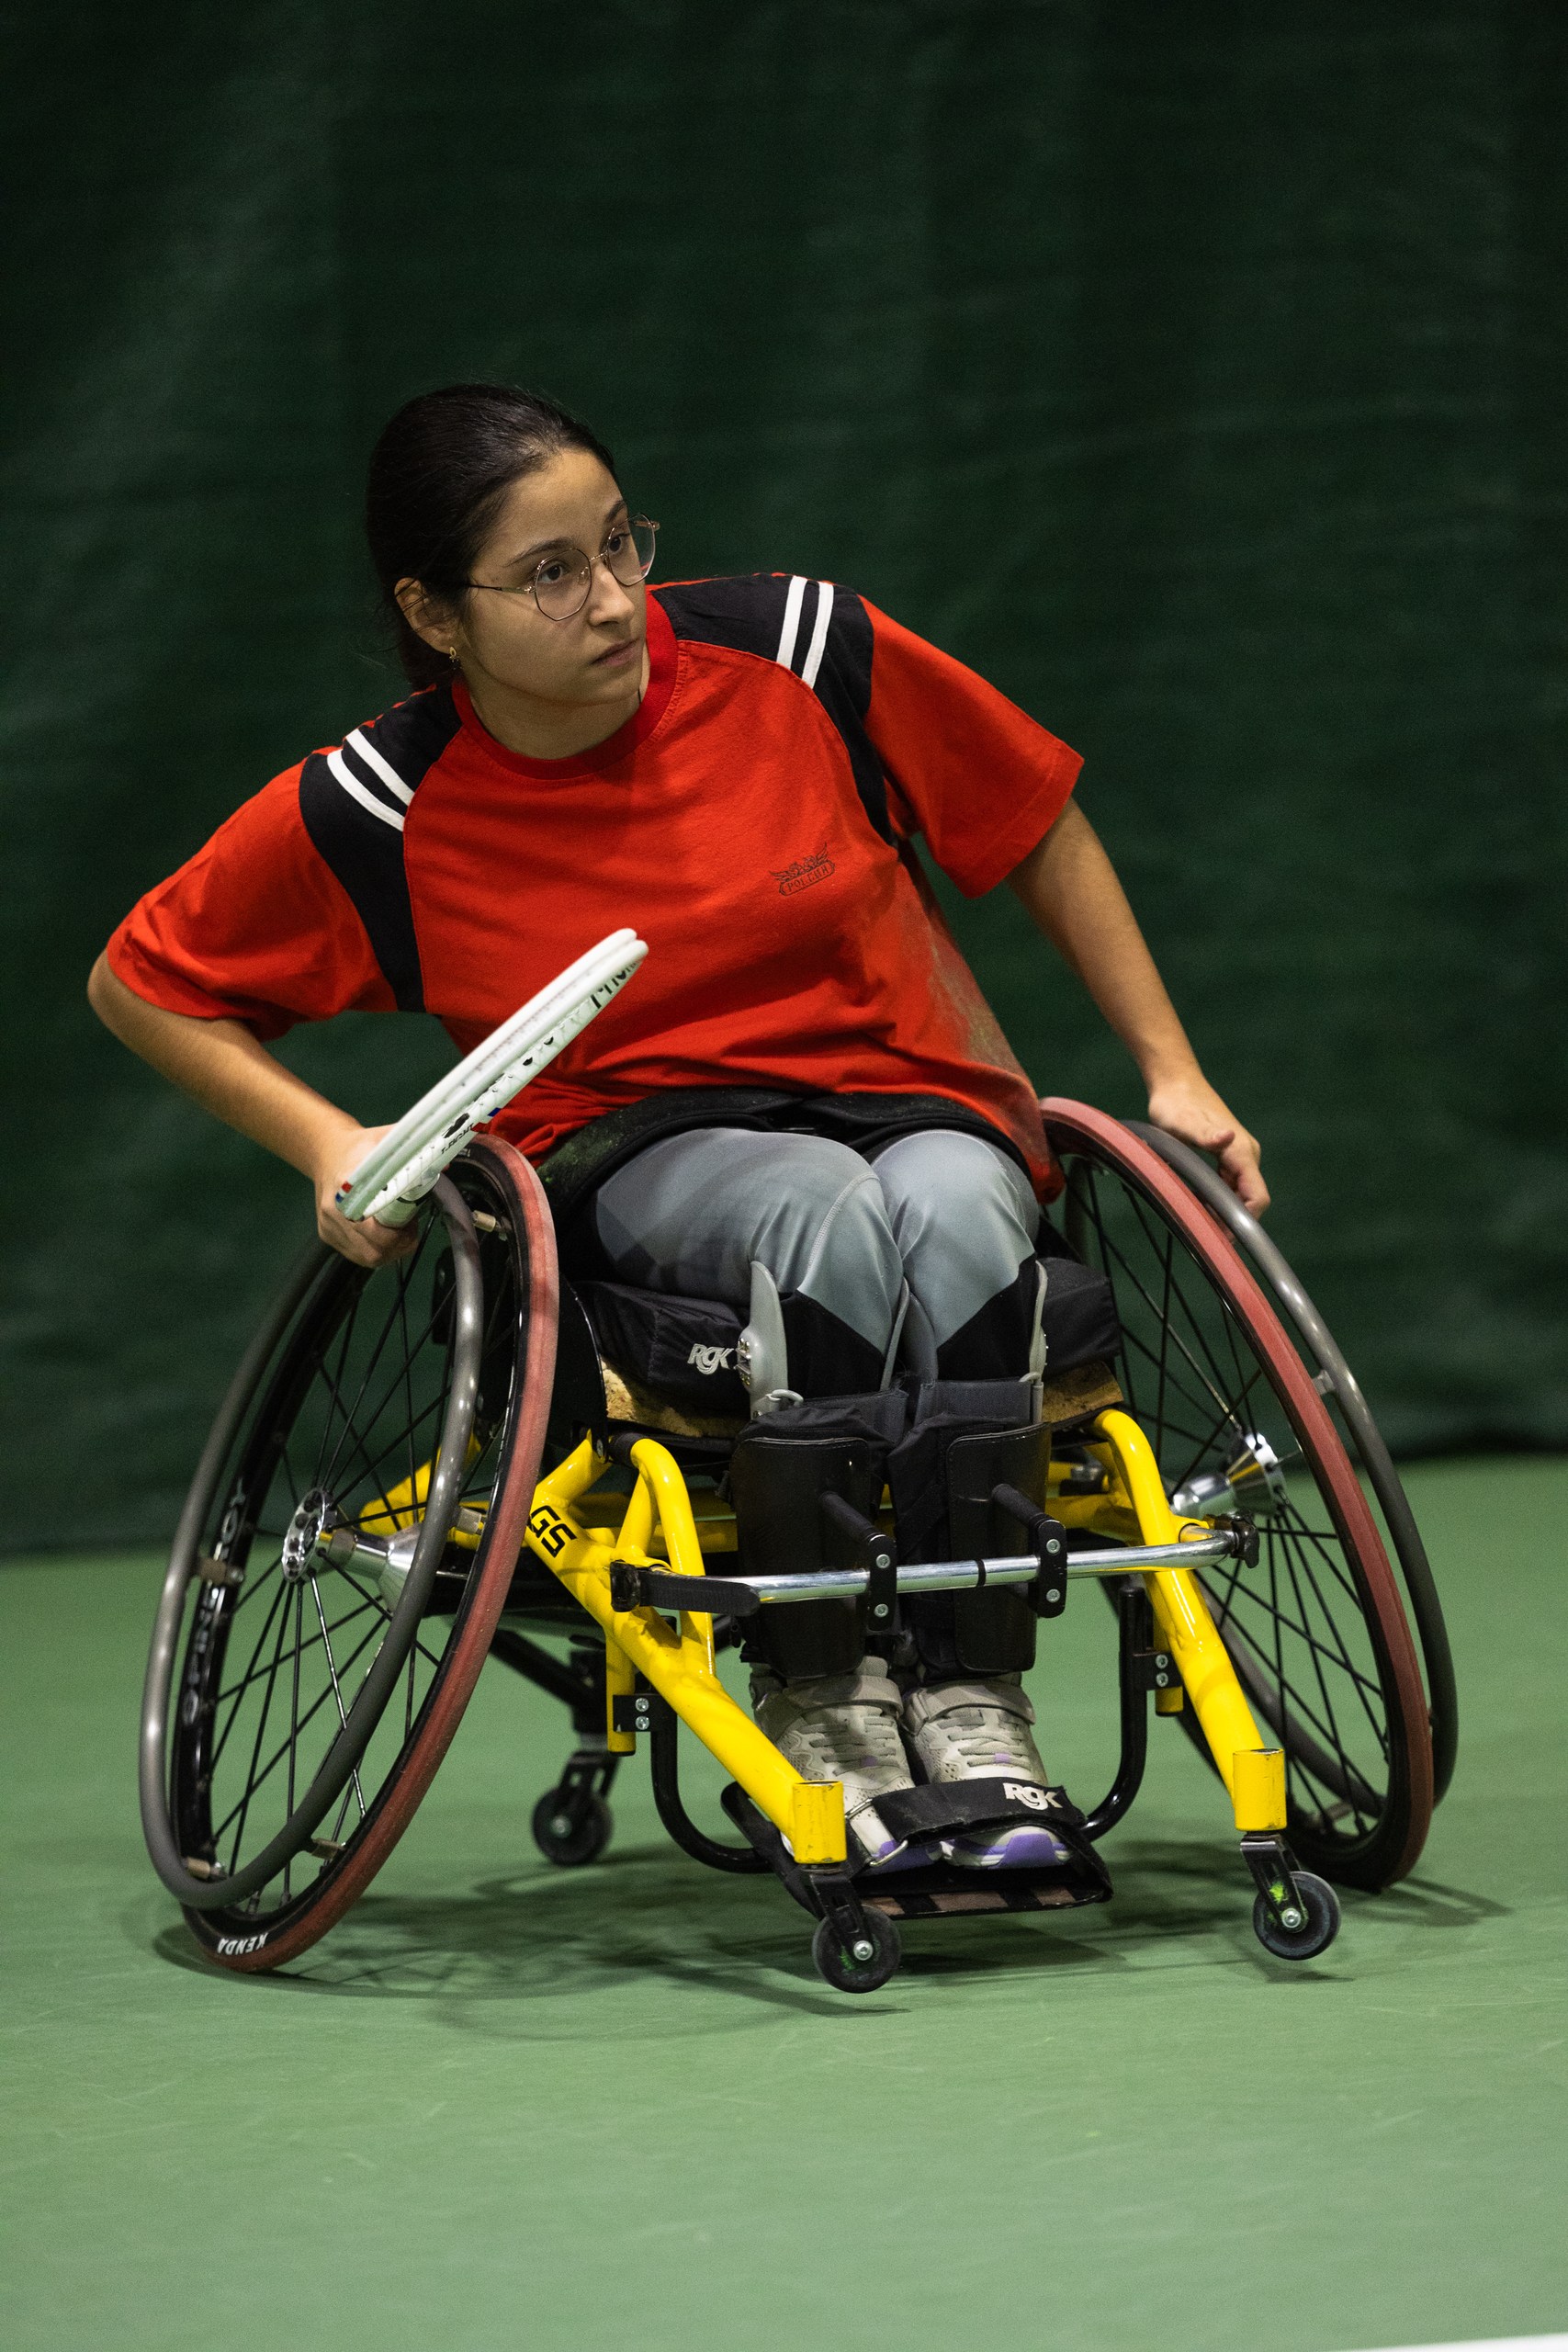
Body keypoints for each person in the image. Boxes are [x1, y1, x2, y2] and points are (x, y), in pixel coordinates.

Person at [89, 383, 1266, 1877]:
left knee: (966, 1204)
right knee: (817, 1210)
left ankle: (974, 1699)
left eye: (618, 544)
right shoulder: (383, 802)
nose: (610, 600)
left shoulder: (802, 650)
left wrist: (1174, 1069)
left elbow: (1033, 817)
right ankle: (827, 1692)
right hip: (636, 1151)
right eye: (549, 573)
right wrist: (328, 1142)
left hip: (905, 1093)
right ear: (434, 616)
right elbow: (140, 982)